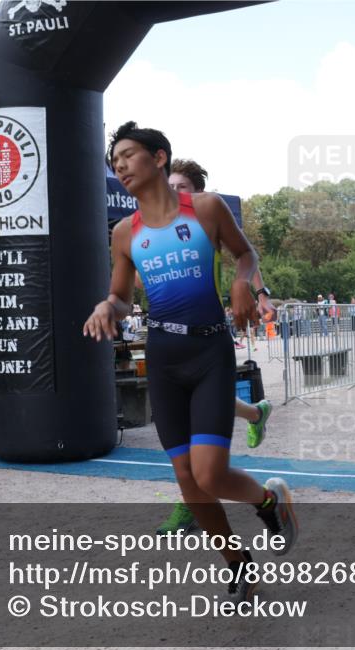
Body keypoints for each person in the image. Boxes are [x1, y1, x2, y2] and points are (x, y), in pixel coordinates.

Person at [86, 123, 296, 599]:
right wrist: (106, 307)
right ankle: (237, 563)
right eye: (113, 161)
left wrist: (243, 282)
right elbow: (120, 298)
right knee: (187, 479)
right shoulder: (124, 233)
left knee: (210, 473)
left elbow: (245, 254)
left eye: (127, 155)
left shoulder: (205, 208)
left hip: (209, 352)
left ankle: (269, 501)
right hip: (162, 357)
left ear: (159, 158)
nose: (119, 166)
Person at [157, 157, 275, 535]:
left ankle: (189, 504)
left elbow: (245, 254)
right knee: (200, 415)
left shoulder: (206, 220)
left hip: (209, 335)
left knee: (198, 436)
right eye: (169, 187)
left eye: (182, 188)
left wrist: (260, 294)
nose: (174, 193)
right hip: (170, 342)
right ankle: (256, 414)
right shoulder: (153, 227)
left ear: (198, 193)